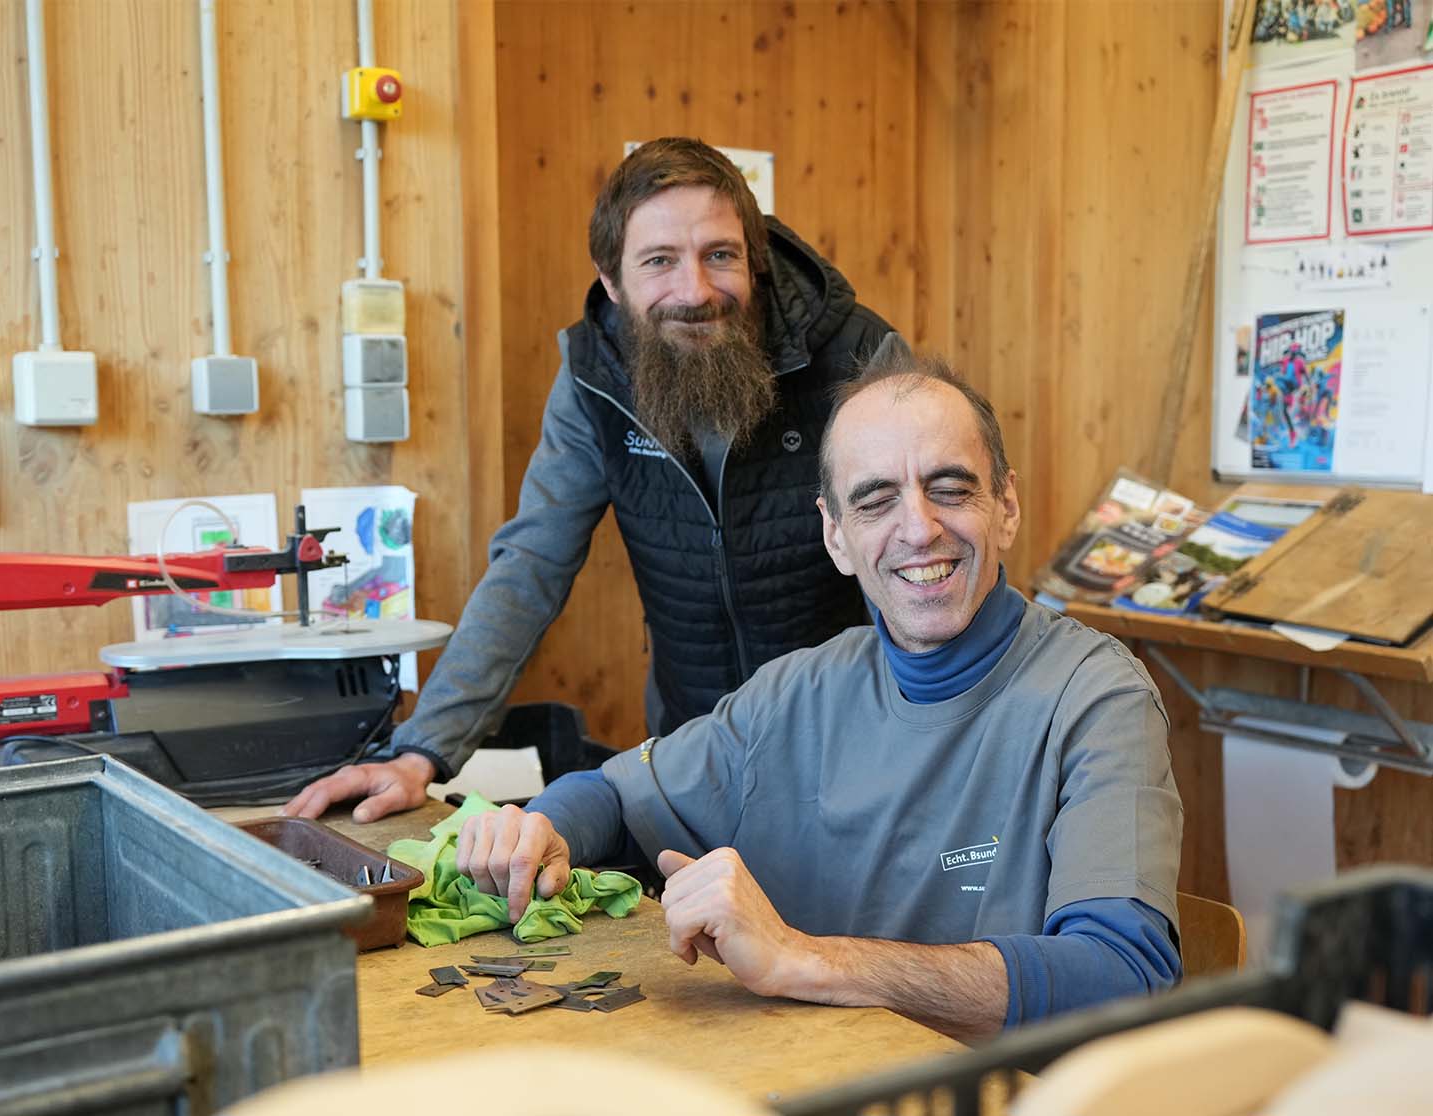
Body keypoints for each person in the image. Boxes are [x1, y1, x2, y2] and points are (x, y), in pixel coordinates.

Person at [454, 348, 1183, 1037]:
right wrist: (538, 830)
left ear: (1006, 506)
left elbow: (1122, 976)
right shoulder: (796, 692)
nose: (919, 529)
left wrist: (803, 959)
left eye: (950, 489)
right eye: (875, 502)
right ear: (835, 536)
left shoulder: (1096, 697)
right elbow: (613, 795)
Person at [284, 138, 894, 824]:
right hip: (695, 757)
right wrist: (422, 751)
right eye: (658, 261)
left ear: (753, 257)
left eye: (719, 255)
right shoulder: (593, 380)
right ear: (612, 281)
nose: (694, 291)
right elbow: (531, 564)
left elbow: (919, 557)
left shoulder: (858, 355)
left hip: (857, 756)